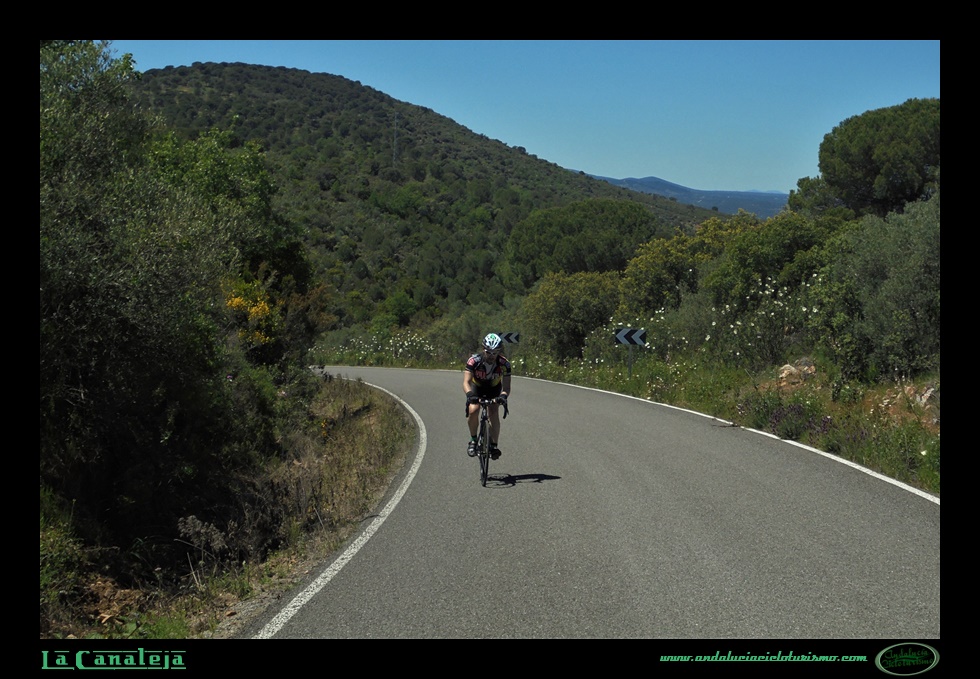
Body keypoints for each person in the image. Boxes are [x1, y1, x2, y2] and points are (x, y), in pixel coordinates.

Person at [463, 332, 512, 459]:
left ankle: (494, 445)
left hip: (494, 389)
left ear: (499, 351)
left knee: (494, 411)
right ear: (483, 349)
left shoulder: (504, 364)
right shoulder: (474, 361)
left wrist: (503, 396)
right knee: (473, 410)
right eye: (488, 352)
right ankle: (473, 440)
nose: (491, 356)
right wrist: (470, 394)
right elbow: (466, 382)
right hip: (477, 388)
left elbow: (506, 387)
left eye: (495, 353)